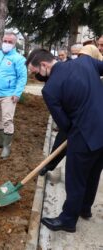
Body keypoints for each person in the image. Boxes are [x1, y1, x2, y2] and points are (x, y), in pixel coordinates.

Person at [26, 48, 103, 233]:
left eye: (35, 72)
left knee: (76, 180)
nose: (36, 76)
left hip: (83, 137)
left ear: (44, 65)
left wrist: (53, 161)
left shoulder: (50, 90)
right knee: (93, 174)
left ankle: (68, 220)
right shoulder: (86, 62)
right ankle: (85, 209)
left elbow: (65, 125)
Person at [40, 44, 103, 176]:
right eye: (75, 53)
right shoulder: (69, 67)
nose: (76, 56)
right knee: (61, 142)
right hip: (73, 117)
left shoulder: (94, 64)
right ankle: (49, 165)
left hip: (91, 122)